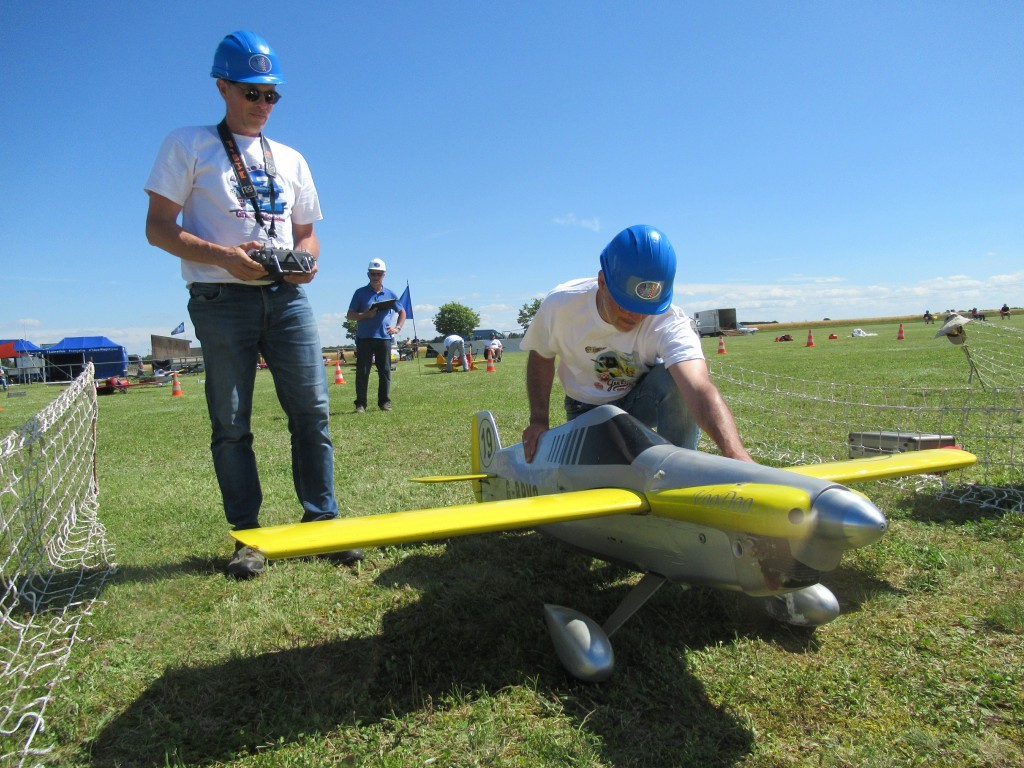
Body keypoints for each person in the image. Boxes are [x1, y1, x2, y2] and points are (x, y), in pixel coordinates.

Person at [144, 30, 361, 579]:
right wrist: (224, 257)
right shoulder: (187, 144)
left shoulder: (290, 157)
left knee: (312, 411)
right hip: (220, 299)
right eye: (251, 92)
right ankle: (249, 537)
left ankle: (324, 521)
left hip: (286, 299)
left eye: (272, 95)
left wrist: (306, 261)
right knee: (232, 422)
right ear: (222, 87)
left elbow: (307, 233)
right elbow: (158, 229)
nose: (262, 104)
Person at [520, 224, 752, 464]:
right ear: (602, 282)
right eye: (626, 303)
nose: (637, 316)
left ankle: (679, 469)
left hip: (639, 400)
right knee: (596, 476)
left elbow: (698, 388)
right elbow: (541, 354)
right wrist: (538, 420)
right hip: (585, 408)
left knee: (675, 380)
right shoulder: (562, 304)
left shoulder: (670, 322)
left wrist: (735, 453)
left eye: (648, 308)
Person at [346, 258, 406, 412]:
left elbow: (402, 312)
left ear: (384, 275)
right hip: (365, 338)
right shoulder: (360, 293)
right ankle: (360, 404)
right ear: (368, 274)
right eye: (373, 273)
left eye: (379, 274)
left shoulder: (390, 293)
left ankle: (384, 402)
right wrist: (366, 315)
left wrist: (397, 328)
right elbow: (350, 315)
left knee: (385, 371)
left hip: (384, 338)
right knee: (363, 372)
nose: (376, 276)